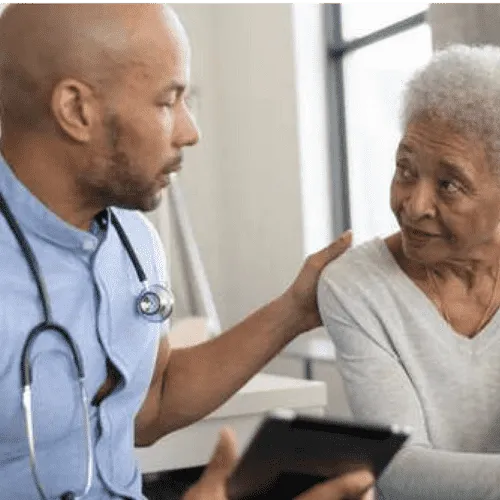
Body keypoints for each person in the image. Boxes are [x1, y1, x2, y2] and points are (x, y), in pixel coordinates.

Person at [0, 3, 374, 500]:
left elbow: (148, 406)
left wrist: (295, 311)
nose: (189, 131)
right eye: (168, 101)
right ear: (76, 110)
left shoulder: (133, 241)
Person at [318, 44, 500, 500]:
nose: (414, 206)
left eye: (449, 184)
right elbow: (400, 469)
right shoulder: (355, 286)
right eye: (405, 170)